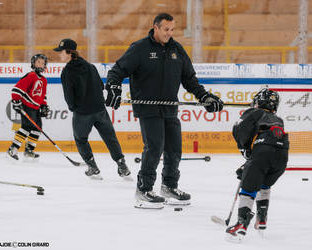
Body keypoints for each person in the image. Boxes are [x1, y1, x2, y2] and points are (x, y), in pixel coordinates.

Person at [106, 13, 224, 209]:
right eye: (166, 29)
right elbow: (117, 71)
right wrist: (113, 87)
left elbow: (190, 79)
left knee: (174, 148)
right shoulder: (140, 48)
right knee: (154, 146)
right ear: (156, 28)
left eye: (172, 30)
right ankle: (144, 189)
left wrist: (204, 97)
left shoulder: (176, 49)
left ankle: (169, 186)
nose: (170, 33)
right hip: (148, 107)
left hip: (170, 107)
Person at [53, 38, 131, 179]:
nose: (59, 55)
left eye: (61, 52)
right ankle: (122, 165)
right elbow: (101, 87)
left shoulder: (67, 72)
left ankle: (92, 167)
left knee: (80, 139)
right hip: (100, 110)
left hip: (82, 113)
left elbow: (69, 96)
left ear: (69, 52)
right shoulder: (90, 66)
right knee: (110, 138)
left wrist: (74, 108)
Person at [226, 88, 289, 242]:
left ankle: (241, 225)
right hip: (282, 155)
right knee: (264, 183)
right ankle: (261, 219)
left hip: (263, 150)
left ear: (258, 101)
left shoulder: (253, 112)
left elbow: (239, 129)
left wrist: (246, 151)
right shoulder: (278, 119)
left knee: (249, 186)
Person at [7, 54, 49, 161]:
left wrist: (44, 105)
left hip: (36, 108)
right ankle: (12, 149)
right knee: (27, 127)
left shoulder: (44, 80)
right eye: (38, 62)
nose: (40, 64)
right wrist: (16, 101)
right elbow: (16, 89)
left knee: (37, 128)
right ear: (33, 64)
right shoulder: (30, 75)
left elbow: (42, 95)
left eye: (42, 63)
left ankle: (29, 150)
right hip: (26, 106)